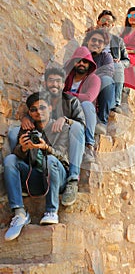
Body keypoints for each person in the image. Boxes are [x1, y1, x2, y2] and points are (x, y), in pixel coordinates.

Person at [8, 67, 86, 207]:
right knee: (14, 134)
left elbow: (81, 126)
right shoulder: (40, 99)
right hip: (41, 145)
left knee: (76, 128)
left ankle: (73, 179)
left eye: (58, 81)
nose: (54, 84)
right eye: (51, 81)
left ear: (63, 85)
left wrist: (66, 119)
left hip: (59, 144)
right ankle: (17, 181)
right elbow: (34, 109)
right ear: (45, 84)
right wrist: (25, 119)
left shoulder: (71, 102)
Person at [4, 91, 68, 241]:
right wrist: (23, 148)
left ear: (50, 108)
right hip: (37, 178)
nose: (38, 112)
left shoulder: (61, 128)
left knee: (51, 159)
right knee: (10, 160)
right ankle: (20, 214)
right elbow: (17, 154)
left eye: (42, 107)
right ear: (30, 113)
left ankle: (52, 211)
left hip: (58, 177)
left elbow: (65, 159)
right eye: (33, 109)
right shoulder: (27, 128)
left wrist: (46, 148)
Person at [64, 46, 101, 162]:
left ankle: (89, 145)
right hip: (67, 111)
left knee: (86, 105)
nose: (81, 64)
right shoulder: (66, 78)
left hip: (84, 115)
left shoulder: (94, 79)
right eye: (78, 61)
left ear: (89, 64)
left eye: (85, 61)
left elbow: (89, 97)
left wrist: (68, 94)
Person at [96, 10, 130, 113]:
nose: (106, 23)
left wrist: (120, 62)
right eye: (103, 20)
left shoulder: (118, 41)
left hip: (114, 67)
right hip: (98, 65)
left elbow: (127, 61)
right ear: (98, 22)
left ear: (112, 25)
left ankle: (115, 102)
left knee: (118, 66)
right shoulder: (92, 37)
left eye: (109, 22)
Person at [82, 29, 114, 135]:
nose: (96, 43)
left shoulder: (106, 57)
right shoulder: (81, 54)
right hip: (80, 85)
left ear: (104, 45)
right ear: (88, 41)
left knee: (107, 81)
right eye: (94, 40)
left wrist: (91, 77)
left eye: (100, 42)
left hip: (96, 85)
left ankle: (102, 121)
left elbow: (107, 72)